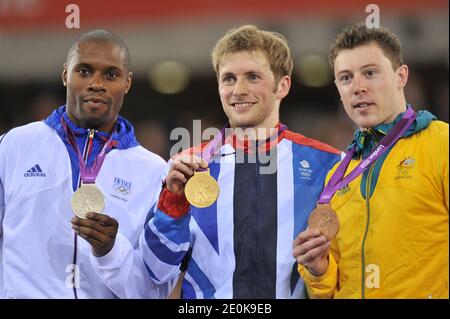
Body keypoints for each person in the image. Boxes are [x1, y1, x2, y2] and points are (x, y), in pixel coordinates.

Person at [139, 25, 341, 299]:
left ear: (282, 85)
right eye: (229, 78)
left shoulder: (328, 164)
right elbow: (155, 271)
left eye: (253, 77)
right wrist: (171, 205)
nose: (239, 90)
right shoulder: (187, 167)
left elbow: (348, 269)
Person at [0, 30, 174, 298]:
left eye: (111, 75)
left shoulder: (153, 172)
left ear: (127, 83)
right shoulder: (14, 146)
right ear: (65, 75)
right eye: (84, 71)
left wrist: (111, 252)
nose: (96, 83)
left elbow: (153, 291)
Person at [293, 23, 449, 299]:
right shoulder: (338, 176)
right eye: (346, 78)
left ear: (401, 76)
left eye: (370, 73)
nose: (358, 87)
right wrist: (319, 270)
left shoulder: (441, 144)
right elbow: (327, 291)